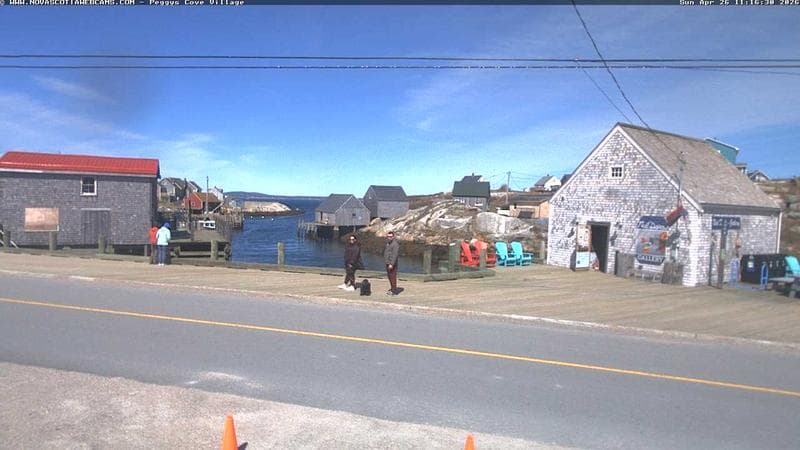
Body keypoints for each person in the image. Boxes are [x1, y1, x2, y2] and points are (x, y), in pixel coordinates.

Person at [383, 231, 400, 296]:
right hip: (387, 263)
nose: (389, 238)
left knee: (393, 277)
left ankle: (394, 291)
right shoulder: (388, 243)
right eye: (388, 236)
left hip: (392, 264)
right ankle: (392, 288)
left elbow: (395, 255)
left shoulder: (395, 244)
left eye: (390, 236)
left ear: (393, 237)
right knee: (389, 277)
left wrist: (391, 264)